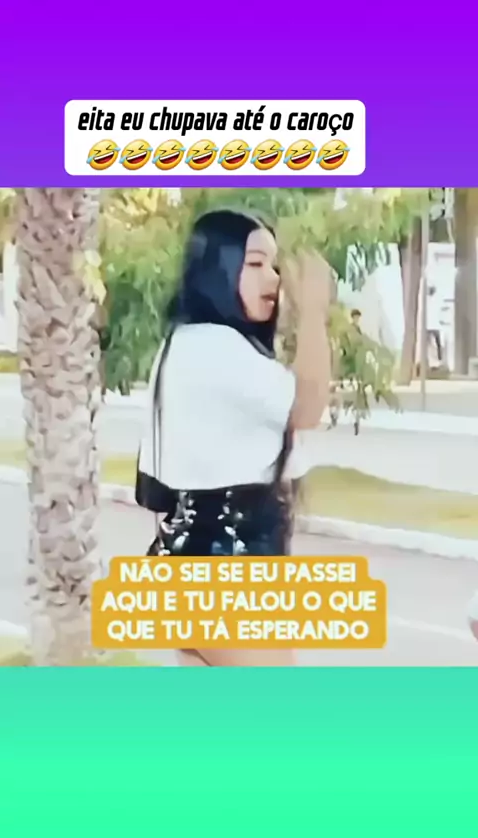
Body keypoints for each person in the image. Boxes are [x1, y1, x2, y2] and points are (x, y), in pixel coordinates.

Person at [135, 209, 331, 667]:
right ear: (217, 269)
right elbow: (307, 407)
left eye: (274, 265)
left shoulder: (186, 343)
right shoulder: (215, 347)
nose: (274, 279)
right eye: (256, 263)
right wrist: (313, 315)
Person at [426, 286, 443, 363]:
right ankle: (438, 359)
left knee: (431, 344)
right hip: (434, 326)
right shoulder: (435, 301)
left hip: (430, 326)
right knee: (437, 344)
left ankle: (436, 359)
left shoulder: (427, 301)